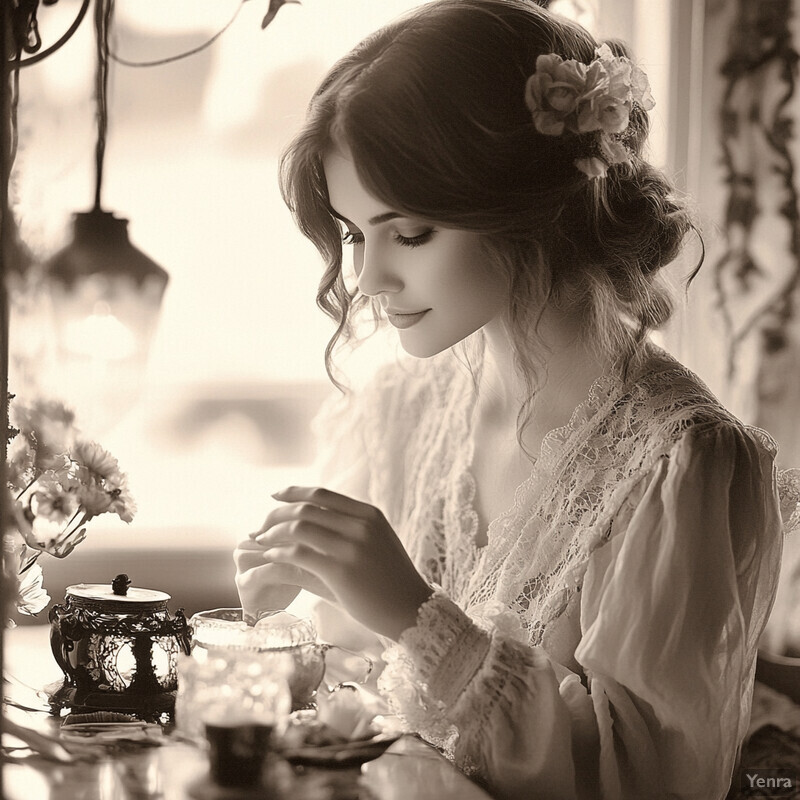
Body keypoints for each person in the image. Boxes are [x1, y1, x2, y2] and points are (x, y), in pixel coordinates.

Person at [233, 1, 798, 797]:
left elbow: (643, 783)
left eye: (410, 232)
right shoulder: (404, 401)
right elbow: (365, 708)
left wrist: (417, 617)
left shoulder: (683, 464)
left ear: (528, 208)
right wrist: (295, 621)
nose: (368, 282)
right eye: (357, 234)